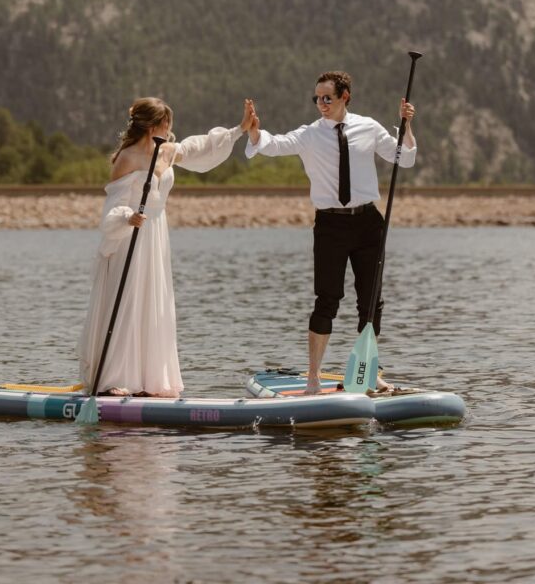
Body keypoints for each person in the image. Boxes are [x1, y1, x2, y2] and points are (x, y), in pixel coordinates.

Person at [246, 71, 416, 394]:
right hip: (330, 226)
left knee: (370, 302)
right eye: (317, 99)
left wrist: (407, 126)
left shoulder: (368, 127)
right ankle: (313, 377)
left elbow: (403, 158)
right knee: (327, 300)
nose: (321, 104)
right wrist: (256, 135)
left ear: (344, 97)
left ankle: (370, 373)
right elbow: (275, 144)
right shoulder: (310, 135)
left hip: (368, 223)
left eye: (327, 98)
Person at [79, 96, 256, 397]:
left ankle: (150, 381)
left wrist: (240, 129)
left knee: (154, 305)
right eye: (167, 123)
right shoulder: (127, 157)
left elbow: (201, 148)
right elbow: (112, 207)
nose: (171, 129)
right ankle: (115, 379)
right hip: (130, 236)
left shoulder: (168, 151)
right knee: (130, 302)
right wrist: (127, 216)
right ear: (154, 126)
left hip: (157, 235)